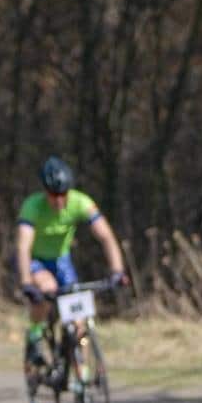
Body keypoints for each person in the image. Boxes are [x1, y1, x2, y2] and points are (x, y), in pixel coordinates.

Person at [15, 156, 128, 364]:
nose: (58, 200)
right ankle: (34, 334)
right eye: (53, 195)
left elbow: (106, 236)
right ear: (45, 192)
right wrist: (26, 282)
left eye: (63, 194)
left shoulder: (81, 202)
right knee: (47, 288)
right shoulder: (32, 206)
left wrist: (117, 270)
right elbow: (23, 246)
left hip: (61, 262)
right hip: (37, 261)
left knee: (79, 325)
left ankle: (81, 380)